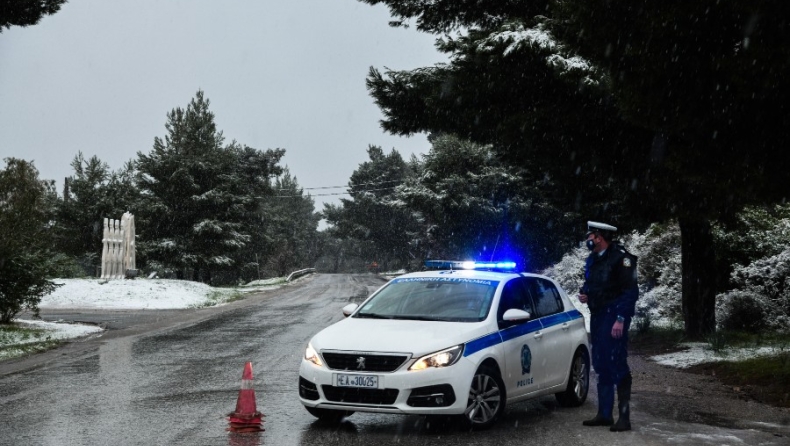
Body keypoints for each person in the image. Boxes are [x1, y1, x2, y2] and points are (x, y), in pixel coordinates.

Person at [578, 221, 639, 432]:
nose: (588, 240)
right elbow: (593, 284)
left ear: (600, 237)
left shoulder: (621, 259)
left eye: (591, 236)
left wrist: (621, 318)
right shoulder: (593, 259)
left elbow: (629, 292)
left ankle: (624, 418)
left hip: (614, 316)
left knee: (617, 363)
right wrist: (586, 293)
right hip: (598, 315)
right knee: (601, 363)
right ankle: (604, 414)